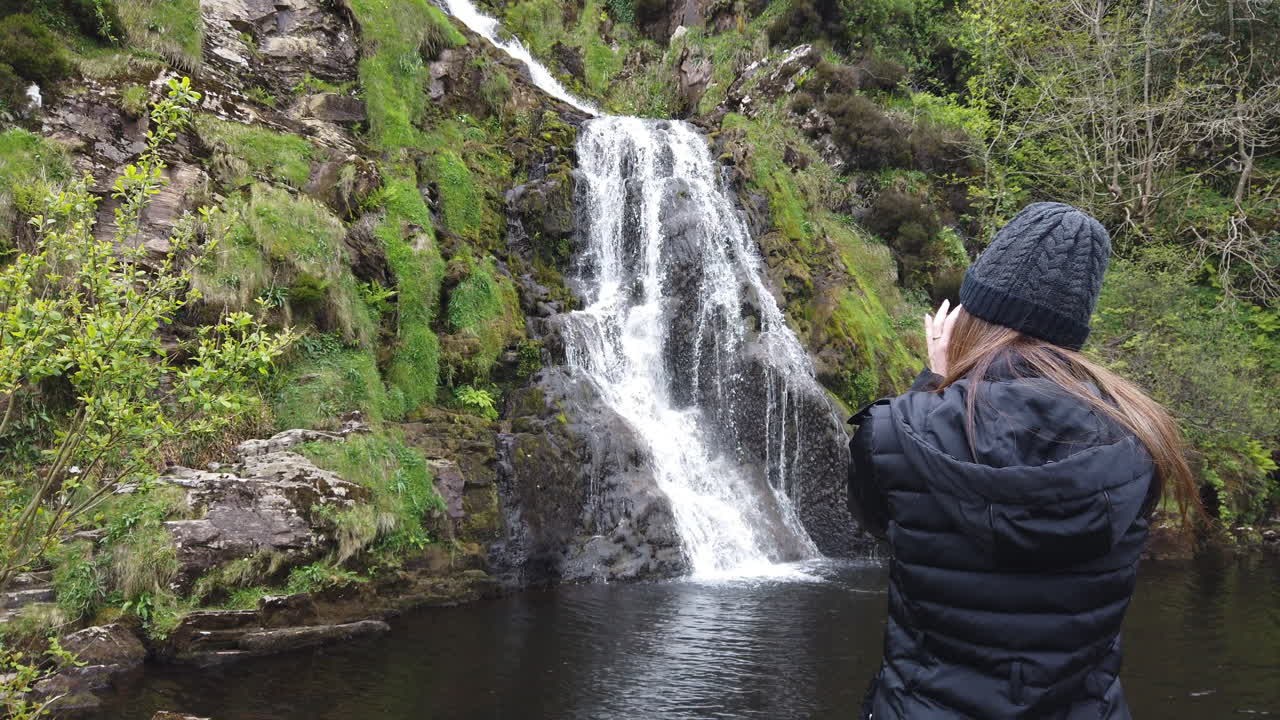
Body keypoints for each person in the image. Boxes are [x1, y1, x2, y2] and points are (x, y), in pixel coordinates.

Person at [847, 202, 1198, 719]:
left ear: (971, 317)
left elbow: (876, 520)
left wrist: (936, 382)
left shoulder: (893, 431)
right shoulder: (1142, 441)